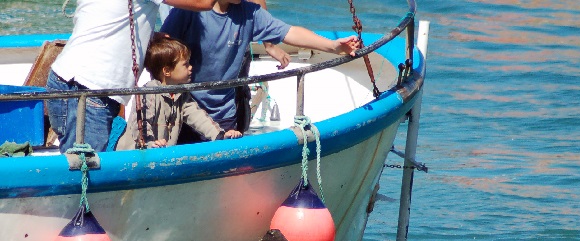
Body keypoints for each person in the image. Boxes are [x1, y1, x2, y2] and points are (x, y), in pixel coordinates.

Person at [160, 0, 360, 140]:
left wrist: (333, 46)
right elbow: (162, 46)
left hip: (224, 116)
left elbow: (289, 32)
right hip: (185, 113)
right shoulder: (187, 11)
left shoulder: (250, 13)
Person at [46, 0, 218, 153]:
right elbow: (203, 2)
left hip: (68, 80)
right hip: (87, 89)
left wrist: (148, 36)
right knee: (87, 171)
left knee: (80, 165)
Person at [116, 35, 242, 150]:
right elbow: (141, 123)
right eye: (185, 64)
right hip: (136, 153)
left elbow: (197, 116)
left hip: (160, 151)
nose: (191, 67)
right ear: (167, 71)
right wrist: (149, 144)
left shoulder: (181, 94)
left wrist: (220, 135)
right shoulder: (148, 93)